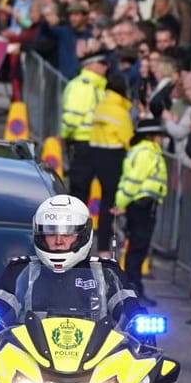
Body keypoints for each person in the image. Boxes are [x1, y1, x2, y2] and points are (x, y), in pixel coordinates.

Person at [0, 195, 141, 326]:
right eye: (51, 233)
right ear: (39, 235)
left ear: (83, 234)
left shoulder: (106, 271)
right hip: (28, 359)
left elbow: (129, 309)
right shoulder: (19, 270)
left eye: (67, 234)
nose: (59, 241)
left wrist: (136, 318)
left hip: (98, 359)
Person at [113, 118, 168, 304]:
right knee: (137, 251)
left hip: (142, 206)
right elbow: (133, 181)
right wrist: (121, 204)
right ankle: (133, 292)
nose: (162, 139)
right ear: (151, 136)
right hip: (140, 206)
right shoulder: (146, 153)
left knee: (138, 250)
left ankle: (134, 290)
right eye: (160, 135)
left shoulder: (148, 151)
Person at [86, 72, 134, 256]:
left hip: (96, 153)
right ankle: (106, 248)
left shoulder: (100, 106)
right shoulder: (120, 112)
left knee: (105, 203)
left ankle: (102, 246)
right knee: (112, 202)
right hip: (114, 157)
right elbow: (128, 139)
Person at [61, 53, 110, 203]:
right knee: (80, 189)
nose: (105, 66)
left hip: (97, 143)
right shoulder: (82, 86)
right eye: (101, 62)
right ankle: (76, 223)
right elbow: (72, 116)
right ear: (89, 65)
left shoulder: (99, 86)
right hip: (83, 141)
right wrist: (64, 136)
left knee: (89, 189)